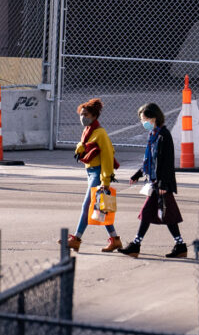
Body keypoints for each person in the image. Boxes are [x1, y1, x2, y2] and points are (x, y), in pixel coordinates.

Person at [119, 103, 187, 259]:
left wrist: (164, 183)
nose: (143, 123)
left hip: (161, 184)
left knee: (152, 214)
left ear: (154, 118)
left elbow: (166, 162)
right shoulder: (153, 135)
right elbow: (150, 160)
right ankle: (180, 245)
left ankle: (136, 245)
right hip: (155, 182)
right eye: (142, 120)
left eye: (145, 119)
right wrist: (138, 174)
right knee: (164, 215)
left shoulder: (164, 135)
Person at [59, 98, 121, 253]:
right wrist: (80, 148)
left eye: (85, 114)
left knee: (87, 206)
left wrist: (105, 180)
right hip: (91, 172)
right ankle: (115, 240)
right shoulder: (88, 131)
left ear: (94, 116)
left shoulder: (100, 133)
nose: (82, 117)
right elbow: (86, 147)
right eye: (81, 114)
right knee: (100, 207)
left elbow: (107, 156)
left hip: (98, 173)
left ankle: (76, 239)